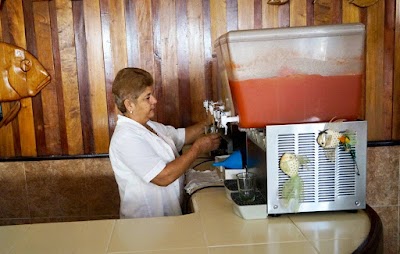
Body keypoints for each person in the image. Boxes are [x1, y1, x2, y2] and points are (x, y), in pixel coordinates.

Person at [109, 67, 221, 218]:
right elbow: (163, 177)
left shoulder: (150, 126)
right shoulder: (126, 138)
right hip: (146, 224)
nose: (154, 100)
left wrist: (210, 121)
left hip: (167, 218)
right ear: (129, 105)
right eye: (147, 97)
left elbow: (183, 136)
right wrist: (197, 149)